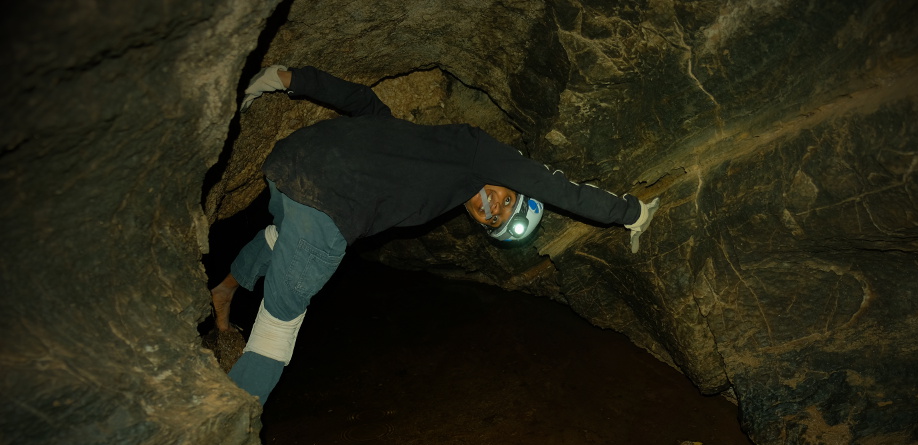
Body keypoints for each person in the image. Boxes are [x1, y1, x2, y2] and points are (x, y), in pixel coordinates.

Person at [212, 65, 660, 404]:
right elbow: (558, 188)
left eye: (493, 220)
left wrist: (288, 77)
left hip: (287, 167)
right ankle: (223, 437)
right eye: (507, 201)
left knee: (282, 235)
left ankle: (226, 290)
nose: (492, 208)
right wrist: (629, 213)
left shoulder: (422, 148)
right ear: (510, 181)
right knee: (279, 329)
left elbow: (364, 103)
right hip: (328, 204)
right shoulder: (477, 154)